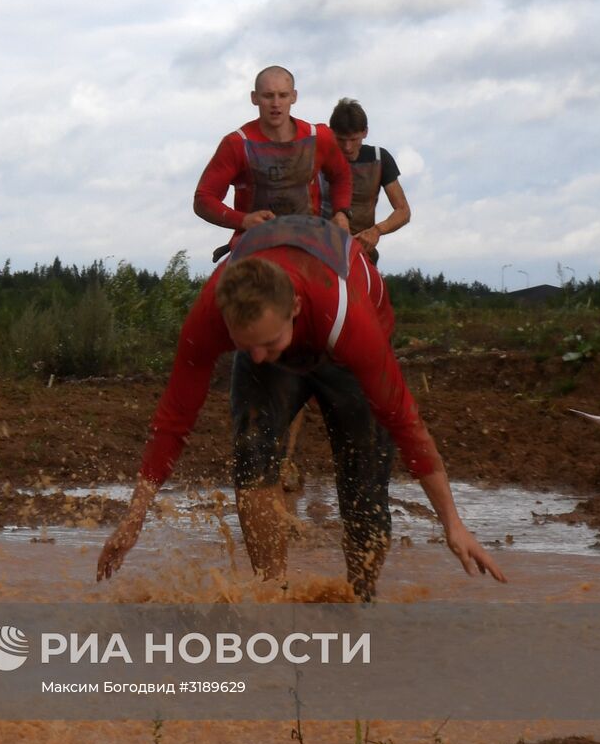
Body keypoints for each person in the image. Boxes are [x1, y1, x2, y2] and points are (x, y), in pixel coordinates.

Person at [95, 216, 505, 600]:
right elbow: (173, 419)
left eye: (267, 344)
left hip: (340, 348)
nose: (257, 357)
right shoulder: (212, 318)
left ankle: (359, 600)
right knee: (252, 453)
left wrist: (453, 523)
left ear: (292, 307)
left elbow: (404, 421)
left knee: (363, 483)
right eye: (244, 346)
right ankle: (271, 596)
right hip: (290, 331)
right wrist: (135, 517)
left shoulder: (349, 320)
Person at [193, 66, 353, 263]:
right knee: (215, 293)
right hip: (252, 246)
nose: (276, 104)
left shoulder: (319, 137)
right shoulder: (236, 144)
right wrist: (243, 220)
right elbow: (203, 199)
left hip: (311, 242)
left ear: (294, 97)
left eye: (283, 95)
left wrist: (341, 212)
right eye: (268, 96)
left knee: (351, 283)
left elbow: (341, 175)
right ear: (254, 98)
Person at [320, 98, 411, 264]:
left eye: (353, 139)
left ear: (365, 132)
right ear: (331, 133)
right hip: (321, 247)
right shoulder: (317, 158)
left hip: (362, 251)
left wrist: (376, 231)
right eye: (341, 139)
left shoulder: (379, 158)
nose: (347, 147)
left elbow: (403, 211)